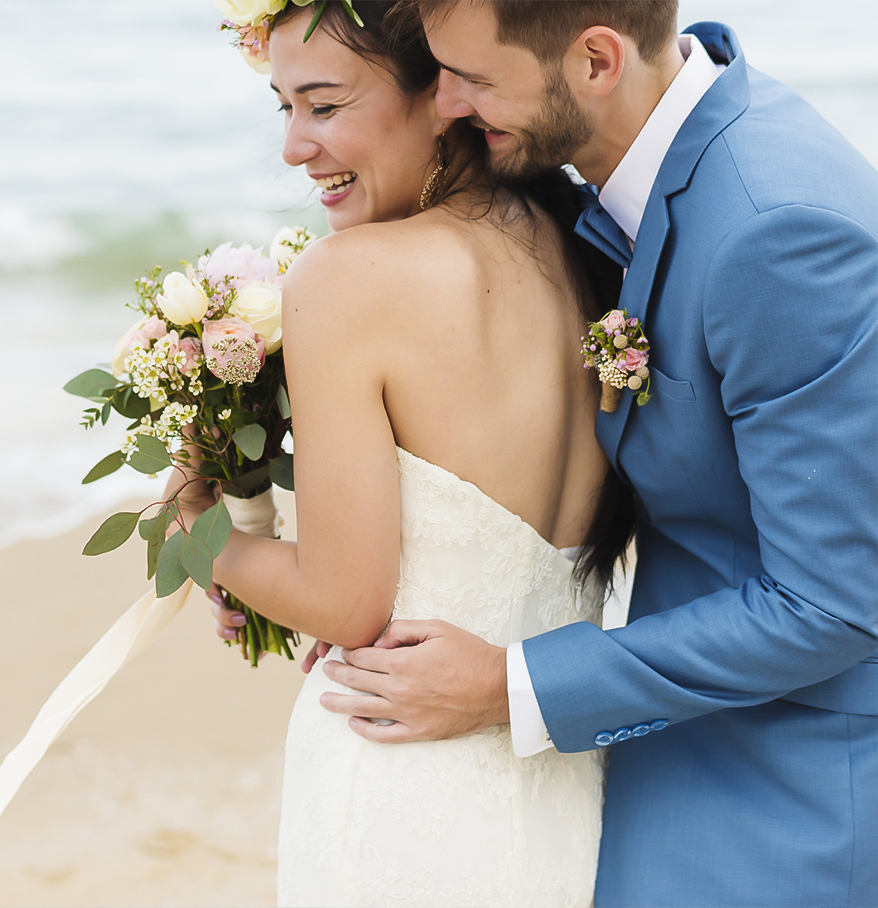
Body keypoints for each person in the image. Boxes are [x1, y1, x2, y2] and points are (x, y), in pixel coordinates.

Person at [304, 3, 878, 907]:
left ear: (598, 61)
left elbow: (834, 603)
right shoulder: (631, 173)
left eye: (474, 79)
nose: (444, 104)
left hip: (783, 792)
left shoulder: (777, 232)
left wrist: (507, 686)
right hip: (654, 741)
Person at [183, 1, 633, 905]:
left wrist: (191, 530)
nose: (295, 147)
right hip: (561, 793)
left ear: (445, 94)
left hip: (398, 787)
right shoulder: (585, 255)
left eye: (325, 105)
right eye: (285, 108)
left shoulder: (349, 278)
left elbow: (343, 605)